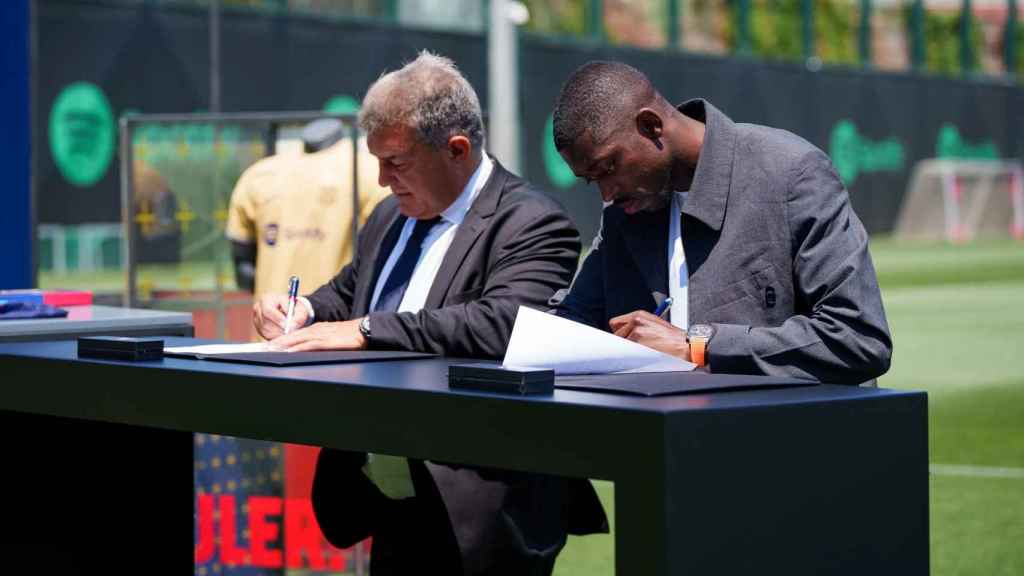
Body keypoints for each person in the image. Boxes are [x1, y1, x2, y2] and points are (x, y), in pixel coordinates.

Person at [253, 52, 606, 575]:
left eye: (395, 162)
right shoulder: (390, 215)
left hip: (481, 512)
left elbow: (504, 323)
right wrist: (303, 308)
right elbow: (352, 291)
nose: (381, 179)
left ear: (457, 150)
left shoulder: (531, 222)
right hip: (385, 495)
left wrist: (367, 331)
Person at [551, 61, 892, 385]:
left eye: (609, 167)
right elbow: (573, 322)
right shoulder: (624, 213)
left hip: (773, 437)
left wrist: (698, 346)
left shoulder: (791, 173)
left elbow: (858, 338)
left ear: (651, 126)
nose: (607, 193)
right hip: (663, 439)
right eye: (591, 180)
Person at [226, 120, 390, 300]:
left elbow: (243, 269)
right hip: (336, 319)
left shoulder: (259, 174)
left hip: (272, 317)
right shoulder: (370, 172)